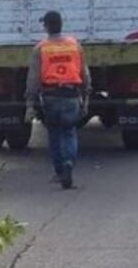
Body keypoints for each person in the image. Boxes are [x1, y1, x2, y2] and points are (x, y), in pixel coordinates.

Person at [25, 11, 92, 189]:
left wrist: (30, 104)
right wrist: (86, 96)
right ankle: (69, 162)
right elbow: (84, 73)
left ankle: (59, 170)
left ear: (47, 27)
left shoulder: (40, 48)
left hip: (50, 96)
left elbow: (33, 78)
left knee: (54, 133)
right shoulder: (75, 46)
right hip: (71, 95)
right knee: (69, 132)